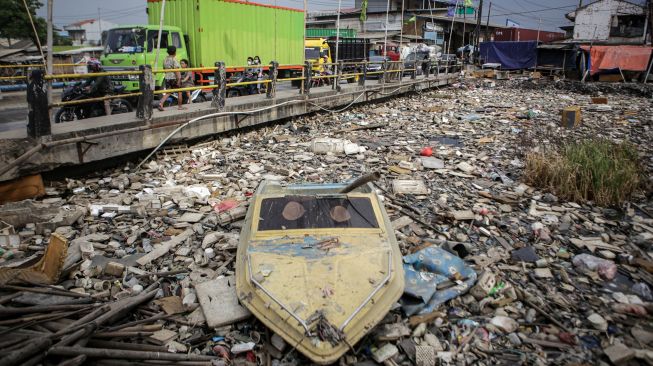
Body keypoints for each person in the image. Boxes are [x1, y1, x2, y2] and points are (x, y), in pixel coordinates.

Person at [157, 46, 184, 111]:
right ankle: (180, 106)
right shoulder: (174, 59)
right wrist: (179, 79)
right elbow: (177, 70)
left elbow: (164, 68)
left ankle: (161, 103)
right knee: (179, 92)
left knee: (168, 92)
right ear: (175, 52)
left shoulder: (165, 59)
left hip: (167, 77)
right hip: (174, 77)